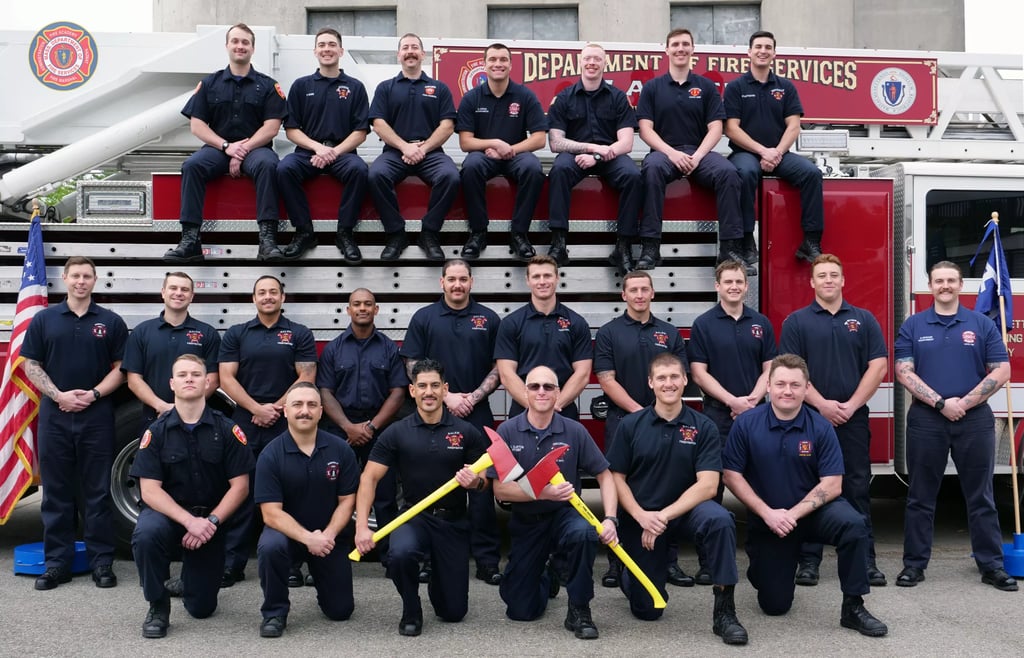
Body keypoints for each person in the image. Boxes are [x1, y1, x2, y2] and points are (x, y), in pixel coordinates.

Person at [723, 354, 888, 637]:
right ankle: (763, 568)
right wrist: (768, 514)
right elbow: (731, 476)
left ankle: (853, 607)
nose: (788, 391)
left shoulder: (821, 426)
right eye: (781, 384)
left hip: (812, 515)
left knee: (853, 524)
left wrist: (793, 514)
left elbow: (833, 484)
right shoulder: (747, 424)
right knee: (775, 605)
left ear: (806, 388)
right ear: (769, 387)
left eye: (795, 385)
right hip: (769, 519)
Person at [893, 260, 1017, 592]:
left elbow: (1001, 371)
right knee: (920, 496)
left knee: (981, 496)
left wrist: (964, 403)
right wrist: (940, 402)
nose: (945, 286)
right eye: (938, 280)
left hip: (974, 420)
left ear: (961, 285)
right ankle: (914, 566)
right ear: (930, 286)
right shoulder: (914, 325)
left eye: (951, 280)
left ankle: (991, 565)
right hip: (926, 420)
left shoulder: (982, 324)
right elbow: (903, 371)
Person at [607, 353, 747, 645]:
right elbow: (615, 478)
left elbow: (708, 486)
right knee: (648, 610)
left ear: (685, 380)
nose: (668, 383)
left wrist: (663, 516)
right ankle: (628, 575)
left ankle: (725, 613)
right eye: (661, 377)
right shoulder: (631, 425)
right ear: (650, 383)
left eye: (674, 377)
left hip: (684, 513)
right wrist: (642, 516)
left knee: (721, 520)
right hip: (641, 517)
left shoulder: (703, 426)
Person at [354, 359, 488, 636]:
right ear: (412, 390)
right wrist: (361, 526)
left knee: (452, 613)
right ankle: (411, 606)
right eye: (422, 386)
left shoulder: (466, 432)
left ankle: (440, 584)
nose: (429, 392)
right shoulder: (396, 433)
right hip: (414, 516)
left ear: (445, 389)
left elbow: (485, 483)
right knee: (399, 554)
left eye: (435, 386)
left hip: (452, 522)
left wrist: (474, 481)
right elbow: (369, 477)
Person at [779, 254, 887, 588]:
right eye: (821, 275)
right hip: (809, 420)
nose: (828, 280)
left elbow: (878, 366)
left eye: (833, 275)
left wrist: (851, 406)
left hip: (853, 421)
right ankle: (808, 561)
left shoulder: (863, 319)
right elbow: (791, 373)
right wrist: (823, 406)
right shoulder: (796, 323)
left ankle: (864, 560)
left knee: (856, 488)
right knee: (808, 488)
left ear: (843, 281)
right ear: (811, 282)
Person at [21, 256, 128, 591]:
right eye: (76, 275)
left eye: (87, 276)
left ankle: (101, 563)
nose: (81, 281)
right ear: (64, 279)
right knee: (56, 492)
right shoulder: (45, 320)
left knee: (97, 492)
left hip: (96, 416)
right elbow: (30, 365)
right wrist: (59, 395)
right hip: (55, 415)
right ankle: (57, 565)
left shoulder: (110, 322)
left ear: (95, 281)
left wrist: (93, 395)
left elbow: (122, 369)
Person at [130, 354, 254, 638]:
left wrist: (209, 522)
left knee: (201, 609)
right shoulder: (157, 431)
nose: (189, 379)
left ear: (208, 381)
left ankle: (190, 580)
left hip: (211, 521)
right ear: (172, 384)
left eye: (196, 374)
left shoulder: (227, 429)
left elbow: (240, 486)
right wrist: (189, 522)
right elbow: (149, 490)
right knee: (146, 534)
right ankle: (157, 606)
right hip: (169, 516)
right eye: (183, 375)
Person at [493, 366, 619, 640]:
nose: (541, 391)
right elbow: (500, 489)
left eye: (548, 387)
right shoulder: (508, 430)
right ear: (524, 392)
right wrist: (542, 493)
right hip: (527, 521)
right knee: (520, 610)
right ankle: (547, 574)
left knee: (584, 533)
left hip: (565, 515)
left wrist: (610, 518)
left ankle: (579, 608)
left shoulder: (574, 431)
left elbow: (605, 475)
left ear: (558, 393)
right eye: (535, 386)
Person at [400, 260, 503, 584]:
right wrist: (447, 397)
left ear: (471, 281)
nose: (457, 285)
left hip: (479, 411)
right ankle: (431, 558)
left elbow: (501, 366)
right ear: (442, 281)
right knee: (436, 483)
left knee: (482, 485)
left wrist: (471, 397)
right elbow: (412, 366)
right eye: (451, 279)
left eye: (463, 279)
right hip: (436, 412)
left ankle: (487, 560)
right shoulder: (424, 318)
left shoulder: (488, 318)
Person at [218, 275, 317, 586]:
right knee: (241, 492)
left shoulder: (299, 333)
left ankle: (291, 565)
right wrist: (256, 409)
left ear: (282, 297)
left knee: (290, 493)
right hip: (246, 422)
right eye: (262, 292)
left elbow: (307, 377)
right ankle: (232, 563)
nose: (268, 297)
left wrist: (276, 408)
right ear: (254, 299)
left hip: (286, 421)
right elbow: (226, 378)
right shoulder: (237, 333)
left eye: (273, 292)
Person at [593, 270, 690, 588]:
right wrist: (643, 414)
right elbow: (606, 380)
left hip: (669, 424)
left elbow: (678, 376)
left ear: (652, 293)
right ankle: (616, 563)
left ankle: (669, 561)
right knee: (620, 491)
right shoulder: (608, 332)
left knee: (669, 487)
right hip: (624, 423)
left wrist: (658, 414)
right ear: (623, 295)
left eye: (644, 289)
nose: (638, 294)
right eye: (632, 290)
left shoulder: (669, 332)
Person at [165, 23, 287, 264]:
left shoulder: (268, 85)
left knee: (268, 166)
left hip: (256, 149)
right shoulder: (210, 84)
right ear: (227, 46)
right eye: (235, 41)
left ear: (253, 48)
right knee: (192, 166)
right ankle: (190, 240)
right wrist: (226, 147)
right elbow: (197, 126)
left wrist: (242, 150)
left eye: (245, 42)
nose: (240, 46)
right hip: (218, 149)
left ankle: (267, 240)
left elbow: (271, 127)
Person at [638, 29, 751, 274]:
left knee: (729, 173)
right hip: (664, 152)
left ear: (693, 50)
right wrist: (672, 154)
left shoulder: (707, 87)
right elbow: (646, 130)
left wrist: (698, 156)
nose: (680, 48)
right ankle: (650, 247)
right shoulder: (652, 88)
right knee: (651, 169)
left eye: (685, 44)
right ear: (666, 50)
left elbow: (716, 128)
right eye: (675, 44)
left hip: (699, 153)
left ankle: (729, 249)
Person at [254, 382, 360, 638]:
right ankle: (275, 612)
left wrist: (328, 536)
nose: (305, 411)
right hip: (286, 535)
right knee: (270, 547)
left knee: (340, 611)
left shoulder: (340, 450)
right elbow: (270, 513)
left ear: (321, 411)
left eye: (312, 405)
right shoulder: (270, 455)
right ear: (286, 411)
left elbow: (347, 501)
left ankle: (322, 579)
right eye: (297, 405)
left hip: (328, 537)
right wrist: (308, 538)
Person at [317, 288, 409, 547]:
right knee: (334, 490)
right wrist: (348, 427)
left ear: (376, 309)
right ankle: (335, 549)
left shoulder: (389, 348)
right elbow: (325, 391)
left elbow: (398, 392)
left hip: (379, 427)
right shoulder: (334, 348)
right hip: (339, 428)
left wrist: (371, 426)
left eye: (368, 304)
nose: (362, 308)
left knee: (385, 492)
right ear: (348, 310)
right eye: (356, 304)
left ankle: (389, 554)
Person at [724, 30, 824, 264]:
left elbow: (794, 126)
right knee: (745, 173)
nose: (763, 51)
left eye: (768, 47)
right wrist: (763, 151)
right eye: (758, 47)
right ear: (749, 52)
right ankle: (746, 239)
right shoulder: (735, 88)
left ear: (774, 54)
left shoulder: (786, 87)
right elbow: (731, 128)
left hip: (780, 154)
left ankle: (811, 241)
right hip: (745, 154)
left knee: (812, 174)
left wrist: (776, 152)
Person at [277, 28, 370, 263]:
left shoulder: (355, 87)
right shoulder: (300, 85)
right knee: (284, 169)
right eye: (321, 45)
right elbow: (291, 130)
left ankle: (345, 233)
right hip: (308, 152)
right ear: (315, 51)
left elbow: (360, 133)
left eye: (331, 44)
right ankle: (304, 232)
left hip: (343, 152)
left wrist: (332, 152)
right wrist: (318, 148)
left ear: (341, 50)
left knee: (360, 170)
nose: (326, 49)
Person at [547, 42, 641, 269]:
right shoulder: (564, 97)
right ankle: (558, 244)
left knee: (633, 176)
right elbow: (555, 143)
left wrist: (598, 156)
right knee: (558, 170)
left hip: (610, 156)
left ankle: (623, 247)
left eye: (597, 59)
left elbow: (626, 143)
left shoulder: (618, 98)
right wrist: (590, 148)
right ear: (580, 62)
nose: (591, 63)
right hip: (576, 155)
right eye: (588, 58)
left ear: (604, 63)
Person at [368, 33, 459, 261]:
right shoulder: (385, 88)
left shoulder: (439, 88)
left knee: (451, 177)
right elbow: (378, 123)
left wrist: (423, 148)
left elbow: (447, 126)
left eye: (415, 47)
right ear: (399, 55)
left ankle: (429, 234)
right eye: (405, 47)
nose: (410, 51)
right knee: (375, 175)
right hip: (394, 152)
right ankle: (396, 234)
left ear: (423, 54)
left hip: (431, 153)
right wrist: (404, 147)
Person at [456, 42, 547, 261]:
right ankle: (478, 233)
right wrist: (496, 143)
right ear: (485, 65)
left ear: (511, 65)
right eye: (493, 59)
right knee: (470, 167)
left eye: (503, 59)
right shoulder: (471, 98)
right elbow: (466, 143)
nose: (498, 64)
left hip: (516, 154)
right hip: (484, 154)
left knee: (534, 169)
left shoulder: (525, 96)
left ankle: (519, 234)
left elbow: (539, 138)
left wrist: (509, 149)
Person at [495, 255, 592, 421]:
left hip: (563, 412)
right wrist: (536, 407)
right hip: (522, 413)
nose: (542, 281)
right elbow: (506, 374)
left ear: (557, 278)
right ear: (527, 280)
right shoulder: (511, 323)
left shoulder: (576, 322)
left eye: (547, 276)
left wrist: (553, 406)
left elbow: (583, 373)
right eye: (536, 276)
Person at [122, 271, 221, 432]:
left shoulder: (207, 333)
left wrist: (183, 408)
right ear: (163, 292)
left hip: (196, 421)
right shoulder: (142, 332)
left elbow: (213, 379)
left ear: (192, 296)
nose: (178, 293)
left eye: (184, 290)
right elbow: (134, 380)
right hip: (154, 418)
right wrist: (161, 406)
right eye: (173, 288)